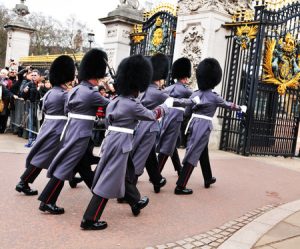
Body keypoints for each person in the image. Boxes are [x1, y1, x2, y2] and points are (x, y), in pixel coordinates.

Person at [80, 54, 170, 230]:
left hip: (113, 140)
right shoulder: (132, 104)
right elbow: (152, 116)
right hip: (122, 142)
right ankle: (89, 218)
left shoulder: (115, 101)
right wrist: (166, 106)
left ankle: (134, 201)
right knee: (109, 178)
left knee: (125, 172)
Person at [38, 49, 110, 214]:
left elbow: (66, 109)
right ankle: (47, 200)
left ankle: (97, 190)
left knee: (81, 164)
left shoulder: (76, 89)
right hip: (80, 134)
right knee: (65, 166)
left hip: (71, 130)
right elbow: (111, 106)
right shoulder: (92, 93)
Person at [174, 58, 247, 195]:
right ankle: (180, 186)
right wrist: (241, 108)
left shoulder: (195, 93)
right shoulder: (214, 97)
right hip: (203, 126)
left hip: (193, 124)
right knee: (193, 153)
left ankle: (208, 178)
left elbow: (187, 112)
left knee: (202, 151)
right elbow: (228, 105)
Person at [15, 55, 75, 196]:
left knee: (49, 155)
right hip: (58, 128)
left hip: (48, 125)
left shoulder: (50, 92)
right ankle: (24, 182)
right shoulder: (63, 94)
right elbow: (69, 111)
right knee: (45, 156)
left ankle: (72, 175)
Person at [156, 57, 193, 176]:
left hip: (166, 116)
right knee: (167, 146)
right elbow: (192, 103)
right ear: (185, 77)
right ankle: (156, 175)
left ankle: (179, 168)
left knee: (172, 143)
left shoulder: (168, 88)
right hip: (176, 118)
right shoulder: (186, 90)